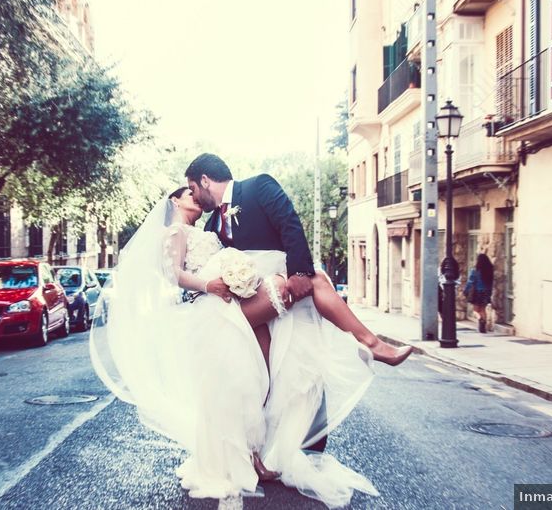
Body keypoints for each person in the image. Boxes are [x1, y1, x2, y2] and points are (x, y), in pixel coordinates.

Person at [91, 186, 380, 507]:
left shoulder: (206, 226)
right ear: (175, 201)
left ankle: (256, 452)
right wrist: (210, 284)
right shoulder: (174, 231)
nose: (195, 198)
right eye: (189, 193)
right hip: (214, 307)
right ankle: (249, 455)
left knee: (246, 382)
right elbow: (173, 275)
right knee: (253, 361)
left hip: (229, 304)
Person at [183, 153, 412, 369]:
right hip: (250, 296)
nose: (194, 197)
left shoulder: (258, 186)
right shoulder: (211, 225)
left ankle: (369, 344)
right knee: (266, 359)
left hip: (282, 279)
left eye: (192, 188)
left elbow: (289, 224)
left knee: (298, 360)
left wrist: (299, 273)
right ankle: (368, 344)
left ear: (205, 180)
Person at [464, 253, 494, 333]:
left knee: (476, 310)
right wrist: (489, 293)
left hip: (477, 292)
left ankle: (480, 319)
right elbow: (490, 284)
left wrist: (466, 290)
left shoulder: (475, 270)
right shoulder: (490, 271)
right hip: (486, 292)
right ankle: (483, 327)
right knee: (483, 309)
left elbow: (470, 282)